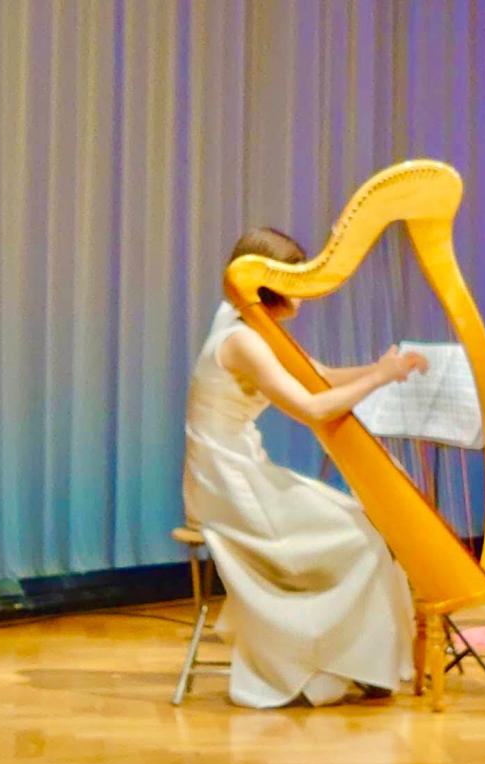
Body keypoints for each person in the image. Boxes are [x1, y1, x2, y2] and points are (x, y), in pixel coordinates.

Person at [182, 226, 429, 707]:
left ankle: (361, 661)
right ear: (270, 284)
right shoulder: (242, 340)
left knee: (364, 523)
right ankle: (326, 665)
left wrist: (385, 370)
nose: (304, 291)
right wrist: (379, 377)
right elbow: (314, 408)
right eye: (295, 279)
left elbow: (320, 377)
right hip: (227, 483)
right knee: (362, 538)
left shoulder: (250, 327)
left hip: (237, 469)